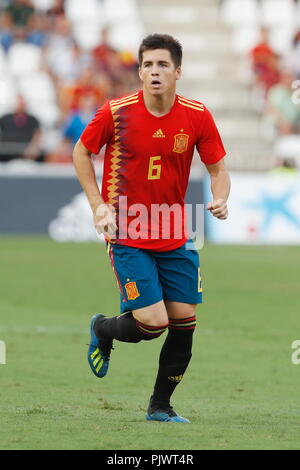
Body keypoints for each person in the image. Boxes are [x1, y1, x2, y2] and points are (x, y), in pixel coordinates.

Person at [72, 34, 230, 423]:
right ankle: (103, 328)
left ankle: (161, 406)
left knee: (184, 322)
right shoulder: (116, 111)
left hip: (177, 231)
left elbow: (217, 169)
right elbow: (81, 151)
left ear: (178, 72)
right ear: (139, 71)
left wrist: (221, 197)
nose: (154, 72)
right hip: (128, 229)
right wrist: (98, 206)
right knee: (152, 323)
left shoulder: (196, 115)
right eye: (147, 65)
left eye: (162, 65)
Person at [0, 95, 42, 162]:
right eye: (18, 102)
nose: (20, 104)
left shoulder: (32, 119)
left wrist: (34, 146)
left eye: (22, 102)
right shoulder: (5, 118)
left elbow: (38, 134)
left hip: (26, 153)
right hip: (5, 152)